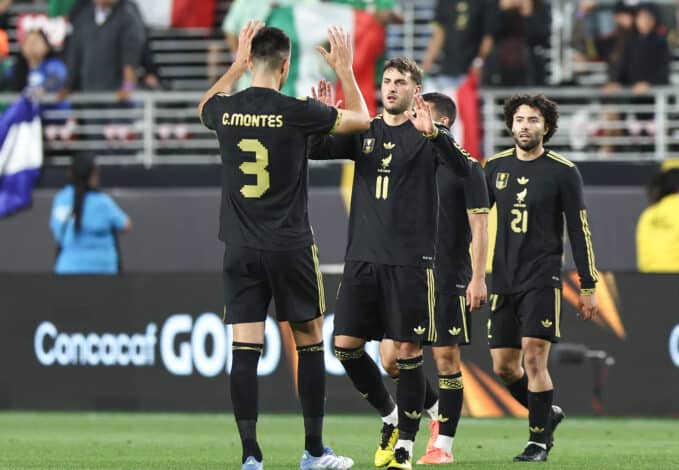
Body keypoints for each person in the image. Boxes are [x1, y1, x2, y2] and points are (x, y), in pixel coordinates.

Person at [198, 21, 370, 470]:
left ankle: (251, 457)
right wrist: (347, 71)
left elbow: (203, 106)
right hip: (290, 245)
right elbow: (363, 122)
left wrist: (234, 68)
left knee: (244, 348)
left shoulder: (227, 109)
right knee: (310, 340)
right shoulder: (297, 110)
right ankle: (314, 452)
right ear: (287, 63)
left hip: (239, 247)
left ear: (251, 59)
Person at [308, 58, 471, 469]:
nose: (391, 87)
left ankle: (405, 448)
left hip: (410, 263)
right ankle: (391, 415)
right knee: (344, 347)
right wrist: (323, 118)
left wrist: (435, 135)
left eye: (400, 81)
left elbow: (463, 169)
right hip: (362, 259)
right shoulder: (366, 130)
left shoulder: (429, 135)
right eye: (386, 81)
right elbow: (315, 150)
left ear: (416, 91)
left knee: (407, 353)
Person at [484, 94, 599, 462]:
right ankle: (547, 414)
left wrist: (588, 283)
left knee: (534, 358)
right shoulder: (495, 167)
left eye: (533, 120)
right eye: (519, 119)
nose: (525, 126)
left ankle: (538, 442)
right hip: (503, 278)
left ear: (546, 127)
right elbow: (473, 219)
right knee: (504, 367)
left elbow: (579, 231)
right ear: (510, 125)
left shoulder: (563, 171)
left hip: (542, 277)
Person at [378, 91, 489, 465]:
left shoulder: (468, 168)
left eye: (416, 113)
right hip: (407, 274)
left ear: (437, 119)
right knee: (391, 359)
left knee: (445, 358)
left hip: (448, 276)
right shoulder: (408, 162)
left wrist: (477, 277)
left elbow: (480, 226)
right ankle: (437, 408)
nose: (409, 120)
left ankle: (443, 445)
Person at [50, 154, 131, 274]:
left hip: (67, 270)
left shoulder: (60, 199)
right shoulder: (102, 202)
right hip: (104, 271)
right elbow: (126, 225)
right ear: (93, 175)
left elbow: (56, 230)